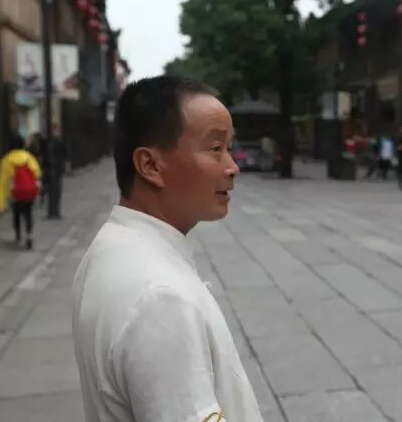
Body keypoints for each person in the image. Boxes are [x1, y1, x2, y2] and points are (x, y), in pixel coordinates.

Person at [72, 76, 262, 422]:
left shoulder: (111, 248)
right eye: (215, 148)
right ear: (150, 165)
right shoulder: (160, 299)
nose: (232, 167)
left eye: (229, 148)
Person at [0, 136, 41, 249]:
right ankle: (29, 235)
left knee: (16, 214)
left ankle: (18, 236)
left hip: (15, 193)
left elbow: (2, 182)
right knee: (28, 213)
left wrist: (1, 203)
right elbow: (37, 173)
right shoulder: (28, 157)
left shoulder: (6, 160)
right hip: (29, 191)